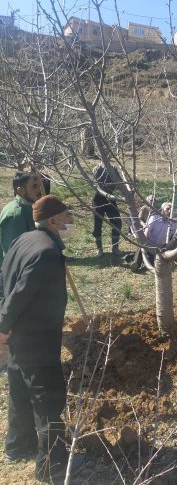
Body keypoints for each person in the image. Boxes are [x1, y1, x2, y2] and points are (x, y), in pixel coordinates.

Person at [0, 195, 85, 482]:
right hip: (36, 339)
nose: (70, 221)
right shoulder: (47, 252)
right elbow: (22, 292)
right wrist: (4, 325)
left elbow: (6, 280)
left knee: (20, 392)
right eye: (67, 217)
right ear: (53, 221)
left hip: (19, 339)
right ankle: (52, 467)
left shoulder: (23, 240)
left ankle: (17, 447)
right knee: (47, 399)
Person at [0, 172, 42, 265]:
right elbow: (13, 254)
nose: (39, 189)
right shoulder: (15, 215)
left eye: (39, 185)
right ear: (21, 191)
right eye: (34, 186)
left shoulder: (30, 207)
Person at [128, 202, 176, 271]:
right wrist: (144, 243)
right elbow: (146, 232)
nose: (170, 211)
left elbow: (173, 237)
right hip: (149, 244)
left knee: (154, 262)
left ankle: (132, 258)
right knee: (141, 246)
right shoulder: (154, 218)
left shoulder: (173, 223)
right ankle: (136, 263)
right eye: (168, 209)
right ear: (162, 209)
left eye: (172, 209)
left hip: (160, 248)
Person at [92, 162, 122, 258]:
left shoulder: (114, 168)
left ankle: (115, 248)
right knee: (98, 224)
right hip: (98, 198)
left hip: (110, 197)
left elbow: (118, 182)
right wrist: (111, 183)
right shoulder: (96, 168)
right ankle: (99, 249)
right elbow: (100, 184)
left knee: (117, 221)